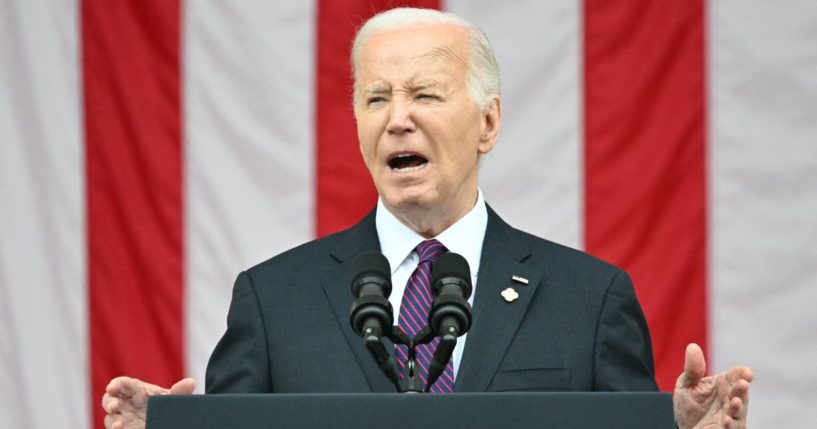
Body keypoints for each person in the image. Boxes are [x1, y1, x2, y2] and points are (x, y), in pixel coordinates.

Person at [102, 7, 753, 429]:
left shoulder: (587, 298)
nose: (397, 118)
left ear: (487, 122)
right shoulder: (273, 300)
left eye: (424, 94)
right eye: (376, 97)